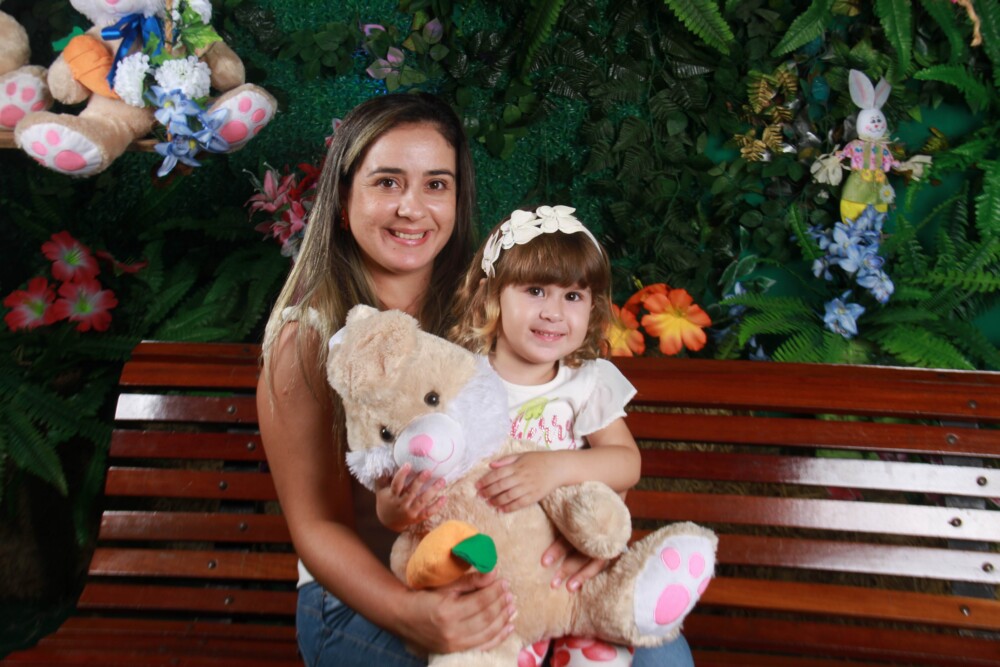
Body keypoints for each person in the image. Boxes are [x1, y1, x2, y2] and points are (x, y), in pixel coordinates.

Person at [257, 92, 517, 667]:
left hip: (484, 572)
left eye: (436, 184)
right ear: (343, 201)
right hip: (362, 598)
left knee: (656, 652)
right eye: (387, 182)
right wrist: (410, 614)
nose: (412, 208)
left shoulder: (488, 313)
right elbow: (317, 525)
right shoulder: (307, 336)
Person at [381, 204, 698, 666]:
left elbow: (626, 462)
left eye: (573, 296)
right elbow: (397, 487)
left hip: (567, 572)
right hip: (487, 579)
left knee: (642, 655)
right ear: (490, 296)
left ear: (592, 307)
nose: (553, 312)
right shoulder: (456, 381)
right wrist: (396, 510)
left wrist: (555, 468)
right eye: (534, 291)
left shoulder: (586, 382)